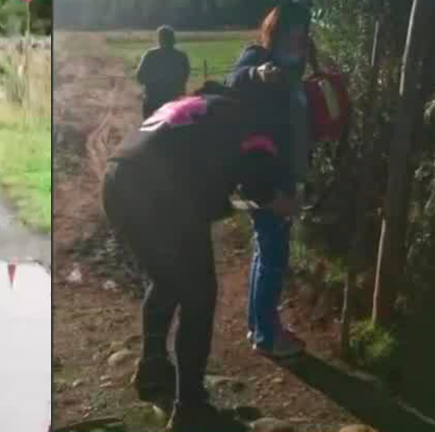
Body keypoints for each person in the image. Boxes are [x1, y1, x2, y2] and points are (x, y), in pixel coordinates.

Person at [102, 83, 298, 431]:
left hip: (118, 181)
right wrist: (278, 201)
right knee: (199, 296)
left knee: (165, 280)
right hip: (162, 195)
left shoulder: (198, 109)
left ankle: (153, 369)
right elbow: (256, 183)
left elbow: (209, 171)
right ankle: (189, 406)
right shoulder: (249, 120)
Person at [226, 1, 320, 358]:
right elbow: (234, 81)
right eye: (291, 30)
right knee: (274, 256)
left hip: (281, 175)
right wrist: (257, 74)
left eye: (303, 31)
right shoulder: (257, 57)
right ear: (276, 31)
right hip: (262, 178)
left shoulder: (294, 71)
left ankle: (260, 326)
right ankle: (266, 335)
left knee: (266, 253)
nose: (298, 37)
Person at [136, 25, 191, 119]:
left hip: (153, 102)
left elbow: (140, 78)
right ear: (173, 39)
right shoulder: (181, 56)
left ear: (159, 39)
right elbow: (184, 78)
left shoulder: (150, 55)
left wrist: (155, 80)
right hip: (175, 103)